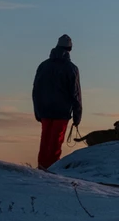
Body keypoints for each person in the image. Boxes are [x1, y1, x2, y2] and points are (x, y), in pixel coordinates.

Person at [32, 33, 83, 170]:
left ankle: (41, 167)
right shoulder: (71, 68)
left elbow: (36, 90)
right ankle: (51, 171)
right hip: (61, 112)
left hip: (45, 111)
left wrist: (37, 111)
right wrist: (77, 116)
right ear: (70, 49)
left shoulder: (43, 66)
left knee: (45, 141)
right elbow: (76, 94)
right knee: (55, 143)